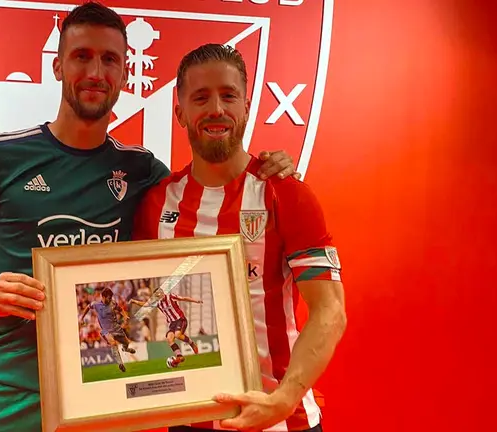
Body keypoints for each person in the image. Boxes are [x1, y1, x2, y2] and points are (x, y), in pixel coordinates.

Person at [0, 2, 300, 431]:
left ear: (126, 75)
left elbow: (212, 194)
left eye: (110, 59)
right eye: (82, 56)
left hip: (105, 392)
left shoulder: (142, 171)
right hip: (10, 392)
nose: (96, 71)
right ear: (57, 67)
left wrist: (270, 168)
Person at [132, 44, 348, 432]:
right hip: (188, 419)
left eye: (228, 95)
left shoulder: (286, 193)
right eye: (201, 97)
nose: (216, 109)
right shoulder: (155, 202)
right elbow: (143, 310)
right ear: (179, 112)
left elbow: (330, 311)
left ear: (246, 107)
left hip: (282, 419)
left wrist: (284, 399)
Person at [130, 289, 203, 365]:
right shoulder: (158, 303)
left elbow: (183, 298)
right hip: (172, 323)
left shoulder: (171, 297)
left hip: (180, 319)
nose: (159, 296)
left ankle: (191, 343)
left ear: (162, 293)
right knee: (169, 339)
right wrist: (135, 301)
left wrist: (196, 301)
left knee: (177, 335)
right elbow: (145, 305)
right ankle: (179, 356)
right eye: (157, 296)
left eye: (160, 294)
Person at [79, 287, 135, 372]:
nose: (110, 299)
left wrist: (125, 316)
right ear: (103, 297)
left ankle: (125, 349)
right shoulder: (96, 304)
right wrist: (82, 318)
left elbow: (120, 309)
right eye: (109, 298)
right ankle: (120, 363)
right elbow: (87, 307)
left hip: (116, 328)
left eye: (111, 298)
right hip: (106, 330)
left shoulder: (112, 303)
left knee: (126, 343)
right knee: (113, 343)